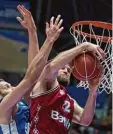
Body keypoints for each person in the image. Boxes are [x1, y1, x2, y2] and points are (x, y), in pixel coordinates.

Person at [0, 5, 63, 134]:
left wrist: (32, 31)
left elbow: (33, 73)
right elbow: (30, 78)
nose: (11, 86)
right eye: (5, 87)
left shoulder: (21, 106)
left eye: (10, 85)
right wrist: (49, 41)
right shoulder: (4, 107)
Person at [30, 41, 105, 133]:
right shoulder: (44, 84)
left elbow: (85, 120)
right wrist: (85, 45)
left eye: (69, 71)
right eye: (62, 68)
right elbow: (51, 67)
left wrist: (93, 90)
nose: (66, 71)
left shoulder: (68, 101)